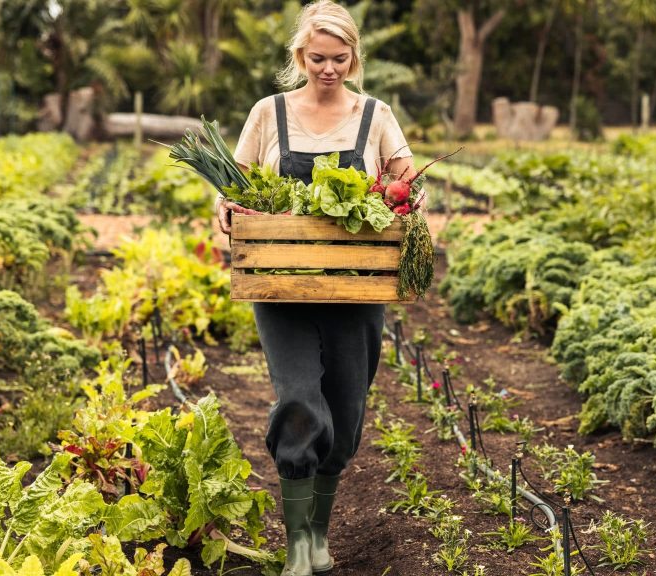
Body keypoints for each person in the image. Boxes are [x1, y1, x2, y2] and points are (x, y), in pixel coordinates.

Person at [215, 2, 416, 574]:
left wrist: (410, 197)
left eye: (339, 58)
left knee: (347, 411)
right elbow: (231, 189)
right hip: (282, 287)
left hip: (356, 290)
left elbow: (404, 179)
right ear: (300, 57)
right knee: (301, 399)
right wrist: (226, 209)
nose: (328, 69)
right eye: (317, 58)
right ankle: (297, 544)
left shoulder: (376, 116)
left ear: (354, 57)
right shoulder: (267, 113)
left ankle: (320, 532)